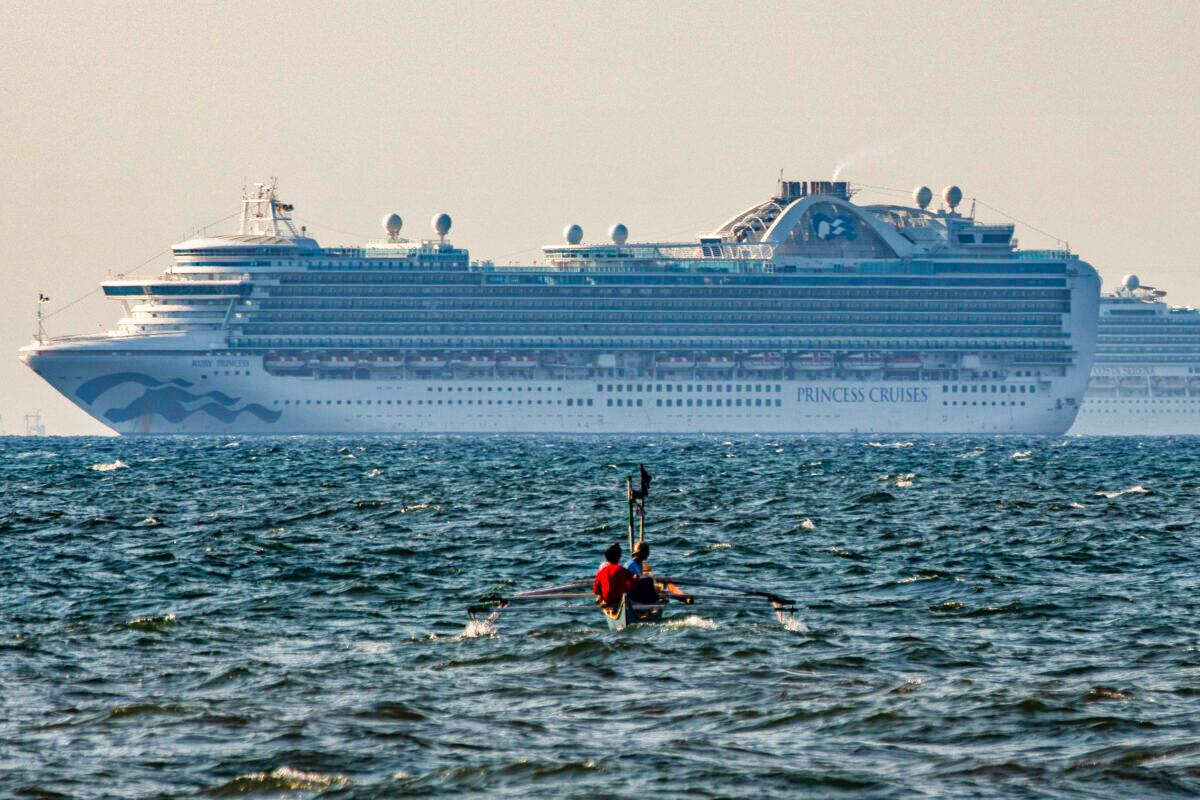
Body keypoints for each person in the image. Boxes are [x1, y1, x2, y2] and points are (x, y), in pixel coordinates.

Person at [593, 543, 635, 607]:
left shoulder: (600, 572)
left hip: (607, 601)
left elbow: (596, 591)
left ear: (606, 558)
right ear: (619, 557)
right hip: (620, 600)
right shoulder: (622, 570)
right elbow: (633, 583)